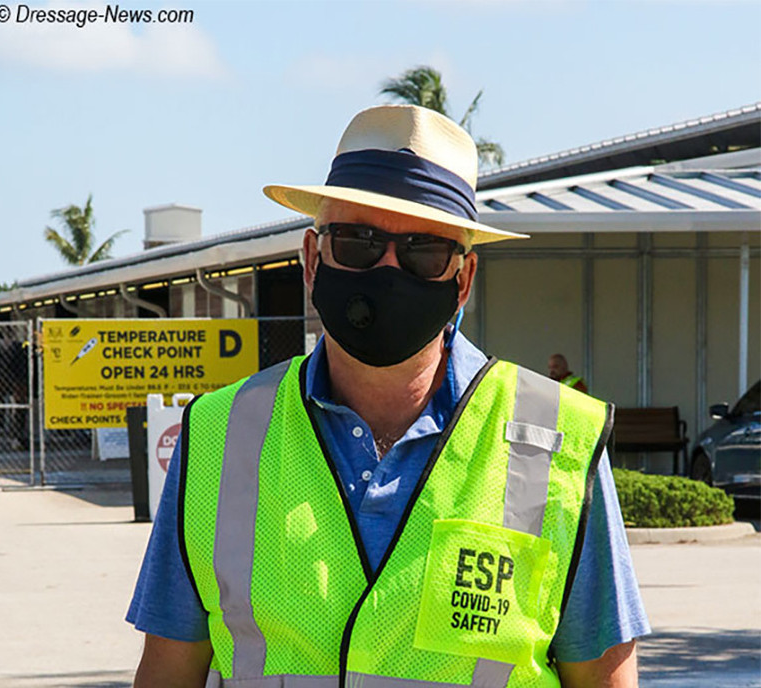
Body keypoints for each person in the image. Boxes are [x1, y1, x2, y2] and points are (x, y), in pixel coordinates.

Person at [128, 105, 649, 687]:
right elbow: (168, 670)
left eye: (425, 252)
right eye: (358, 243)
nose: (388, 270)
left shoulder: (558, 441)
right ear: (310, 258)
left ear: (463, 278)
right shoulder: (218, 435)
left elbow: (605, 677)